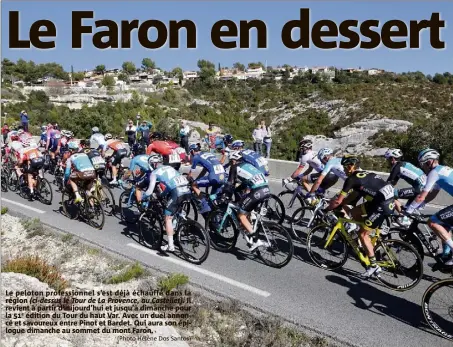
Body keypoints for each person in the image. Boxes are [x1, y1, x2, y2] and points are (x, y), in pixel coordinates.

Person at [325, 155, 395, 277]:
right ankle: (367, 240)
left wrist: (327, 209)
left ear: (351, 167)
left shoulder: (351, 179)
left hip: (381, 206)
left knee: (363, 233)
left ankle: (373, 266)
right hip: (381, 202)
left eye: (345, 168)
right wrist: (344, 203)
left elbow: (337, 201)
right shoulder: (365, 174)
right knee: (353, 213)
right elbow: (352, 197)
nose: (344, 170)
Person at [405, 149, 453, 265]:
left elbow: (422, 195)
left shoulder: (434, 173)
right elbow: (433, 193)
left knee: (432, 222)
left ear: (429, 162)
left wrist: (408, 210)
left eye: (423, 164)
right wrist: (422, 204)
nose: (422, 167)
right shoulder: (442, 169)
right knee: (443, 224)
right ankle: (447, 256)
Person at [141, 154, 191, 252]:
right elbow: (170, 183)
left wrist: (143, 197)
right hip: (186, 189)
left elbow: (150, 191)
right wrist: (163, 194)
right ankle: (180, 226)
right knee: (176, 212)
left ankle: (170, 245)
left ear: (153, 164)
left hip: (177, 192)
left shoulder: (154, 173)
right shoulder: (169, 167)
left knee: (167, 217)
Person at [226, 150, 270, 251]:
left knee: (241, 214)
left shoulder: (234, 167)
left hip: (258, 191)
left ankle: (255, 239)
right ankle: (250, 230)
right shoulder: (247, 164)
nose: (230, 163)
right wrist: (237, 190)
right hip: (266, 189)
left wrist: (225, 195)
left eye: (230, 161)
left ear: (233, 160)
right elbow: (245, 183)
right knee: (247, 209)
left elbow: (229, 184)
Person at [384, 148, 430, 226]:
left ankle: (404, 218)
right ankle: (406, 221)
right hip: (424, 189)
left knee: (390, 194)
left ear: (392, 159)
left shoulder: (397, 167)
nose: (387, 162)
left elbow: (388, 185)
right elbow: (393, 182)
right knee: (407, 208)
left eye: (388, 159)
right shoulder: (403, 164)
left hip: (419, 190)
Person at [187, 143, 226, 213]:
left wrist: (188, 179)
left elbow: (190, 173)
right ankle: (215, 218)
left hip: (214, 177)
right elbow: (205, 170)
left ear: (192, 151)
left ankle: (204, 205)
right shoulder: (208, 154)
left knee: (194, 185)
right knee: (213, 200)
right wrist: (197, 179)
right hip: (223, 176)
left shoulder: (196, 157)